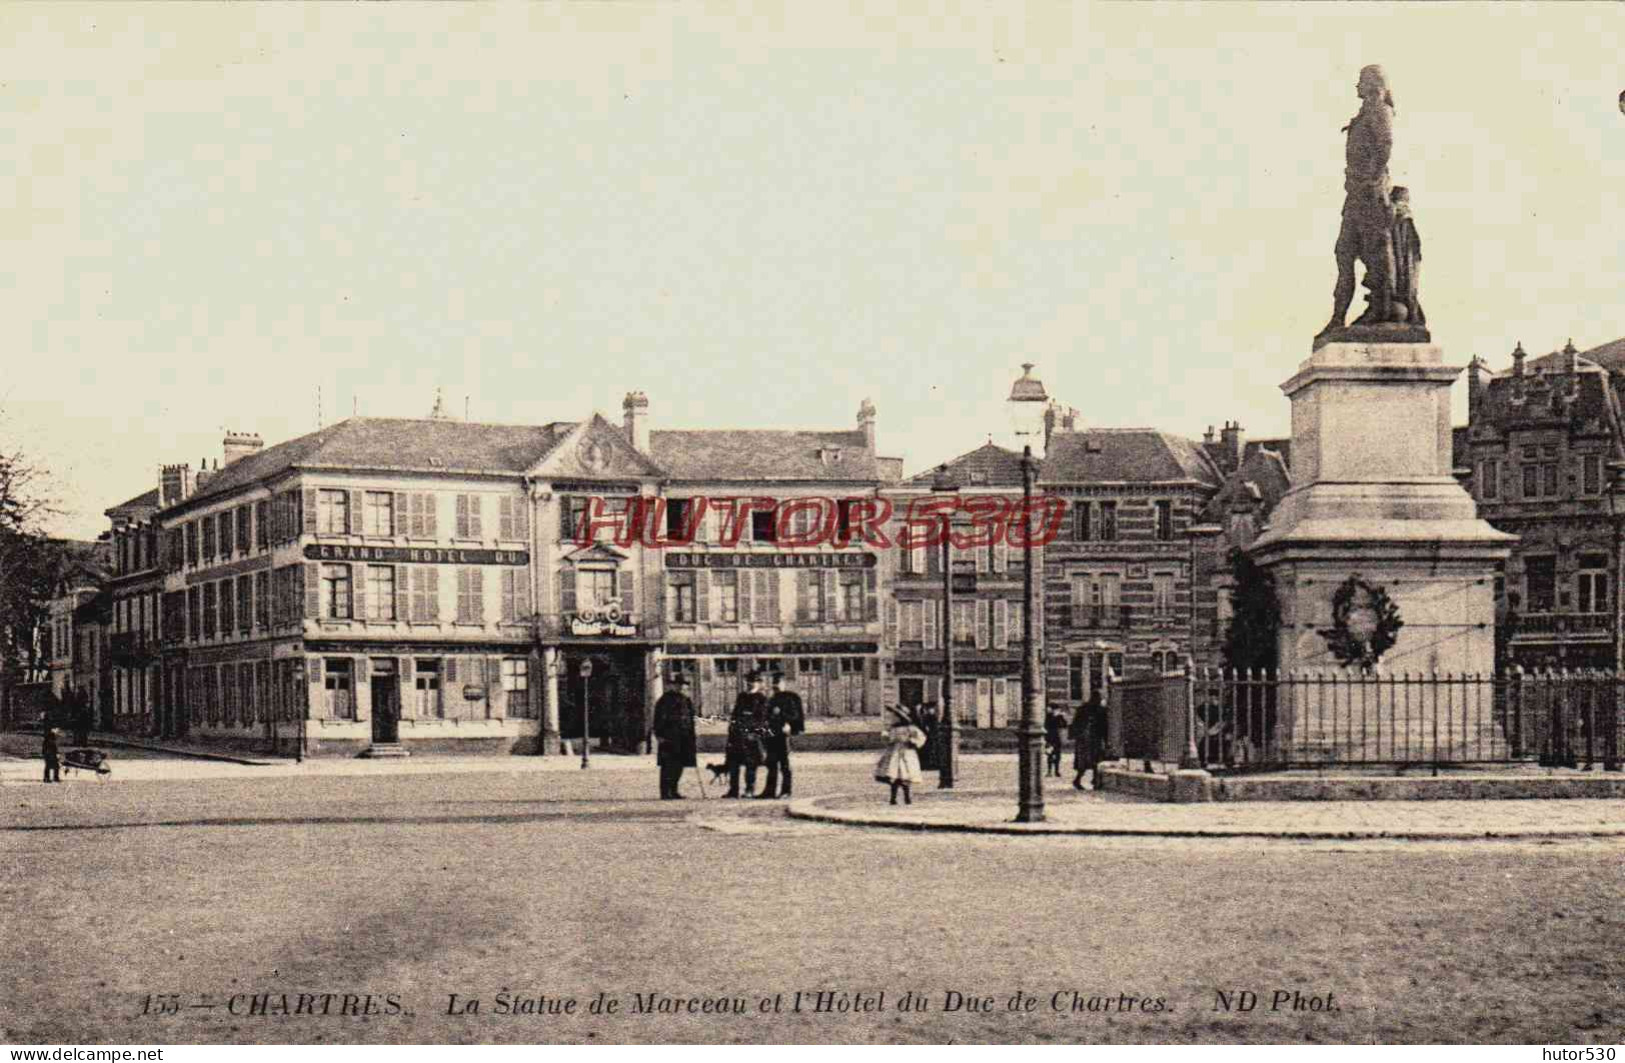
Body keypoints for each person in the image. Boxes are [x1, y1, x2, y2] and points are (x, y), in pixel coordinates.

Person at [1319, 65, 1398, 338]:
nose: (1356, 85)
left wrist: (1372, 181)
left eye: (1361, 81)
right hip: (1355, 196)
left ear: (1373, 84)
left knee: (1375, 253)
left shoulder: (1379, 110)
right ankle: (1338, 317)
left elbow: (1386, 144)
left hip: (1370, 194)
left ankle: (1382, 308)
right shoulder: (1366, 113)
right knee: (1344, 252)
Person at [725, 671, 771, 799]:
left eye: (755, 681)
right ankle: (733, 790)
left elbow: (762, 719)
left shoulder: (762, 699)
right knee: (733, 763)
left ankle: (749, 789)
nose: (752, 684)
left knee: (751, 764)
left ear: (759, 683)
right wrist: (732, 730)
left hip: (752, 736)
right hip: (737, 736)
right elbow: (735, 715)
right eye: (750, 681)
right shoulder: (741, 697)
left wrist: (754, 732)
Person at [651, 675, 697, 800]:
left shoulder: (687, 700)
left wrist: (692, 736)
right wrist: (659, 735)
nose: (681, 687)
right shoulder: (665, 700)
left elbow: (691, 720)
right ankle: (665, 792)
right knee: (668, 766)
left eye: (684, 685)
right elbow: (657, 719)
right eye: (678, 684)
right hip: (668, 738)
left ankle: (674, 790)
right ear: (673, 685)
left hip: (684, 738)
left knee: (680, 765)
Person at [762, 671, 805, 799]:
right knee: (771, 764)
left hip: (783, 735)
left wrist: (785, 720)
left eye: (778, 683)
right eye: (774, 683)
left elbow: (795, 715)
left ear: (784, 683)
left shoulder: (790, 698)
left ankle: (786, 791)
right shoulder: (771, 699)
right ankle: (769, 791)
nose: (776, 685)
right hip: (772, 735)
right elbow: (767, 716)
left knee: (784, 764)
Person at [875, 708, 926, 805]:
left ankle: (907, 797)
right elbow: (888, 740)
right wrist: (886, 737)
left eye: (895, 716)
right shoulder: (893, 729)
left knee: (905, 776)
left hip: (907, 753)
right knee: (894, 776)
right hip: (894, 753)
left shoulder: (910, 728)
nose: (893, 718)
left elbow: (921, 737)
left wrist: (913, 742)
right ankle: (893, 798)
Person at [1389, 186, 1424, 326]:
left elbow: (1405, 248)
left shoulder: (1402, 219)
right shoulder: (1404, 219)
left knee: (1407, 289)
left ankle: (1414, 317)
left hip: (1405, 262)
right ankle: (1413, 316)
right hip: (1406, 261)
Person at [1070, 691, 1106, 791]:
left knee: (1086, 761)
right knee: (1096, 760)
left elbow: (1075, 724)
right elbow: (1104, 726)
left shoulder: (1082, 708)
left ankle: (1084, 780)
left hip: (1084, 739)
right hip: (1093, 739)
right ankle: (1093, 781)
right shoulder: (1100, 710)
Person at [913, 702, 941, 773]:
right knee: (925, 751)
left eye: (931, 709)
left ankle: (932, 764)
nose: (931, 710)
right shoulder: (924, 717)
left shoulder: (932, 717)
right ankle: (925, 764)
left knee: (932, 750)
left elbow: (934, 727)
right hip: (926, 736)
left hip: (931, 737)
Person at [1044, 706, 1067, 778]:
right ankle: (1049, 771)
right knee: (1050, 754)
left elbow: (1064, 725)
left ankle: (1057, 770)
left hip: (1057, 738)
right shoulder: (1049, 717)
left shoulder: (1060, 717)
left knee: (1057, 755)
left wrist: (1062, 717)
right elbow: (1046, 726)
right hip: (1050, 738)